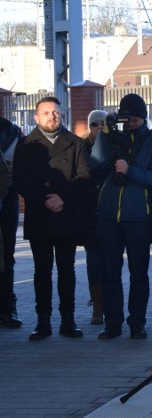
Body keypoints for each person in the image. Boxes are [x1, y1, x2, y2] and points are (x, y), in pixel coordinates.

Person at [89, 93, 152, 340]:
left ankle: (137, 322)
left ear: (143, 116)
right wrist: (105, 132)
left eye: (135, 117)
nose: (130, 121)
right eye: (127, 117)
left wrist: (130, 170)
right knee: (110, 272)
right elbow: (96, 164)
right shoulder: (114, 137)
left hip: (139, 216)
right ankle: (113, 323)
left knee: (138, 273)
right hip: (109, 215)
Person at [13, 97, 90, 340]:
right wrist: (44, 199)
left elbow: (85, 176)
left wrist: (62, 197)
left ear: (61, 115)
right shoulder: (25, 144)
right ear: (36, 118)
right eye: (46, 113)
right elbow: (20, 179)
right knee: (41, 270)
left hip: (66, 215)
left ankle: (68, 319)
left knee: (67, 269)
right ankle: (42, 321)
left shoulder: (75, 143)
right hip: (40, 214)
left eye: (55, 112)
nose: (51, 116)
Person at [81, 110, 108, 325]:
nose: (99, 128)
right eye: (95, 124)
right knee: (93, 262)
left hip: (110, 212)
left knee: (111, 262)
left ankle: (111, 303)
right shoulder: (80, 148)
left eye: (103, 124)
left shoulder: (114, 144)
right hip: (89, 212)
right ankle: (97, 306)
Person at [0, 113, 22, 329]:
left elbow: (24, 165)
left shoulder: (11, 131)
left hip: (7, 200)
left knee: (7, 255)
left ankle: (7, 308)